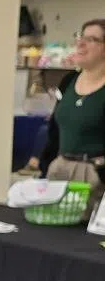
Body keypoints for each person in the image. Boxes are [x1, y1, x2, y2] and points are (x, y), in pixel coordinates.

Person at [33, 19, 105, 211]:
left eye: (91, 39)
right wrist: (45, 167)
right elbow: (54, 131)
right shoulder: (68, 81)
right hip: (60, 169)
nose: (80, 43)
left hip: (95, 175)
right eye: (80, 37)